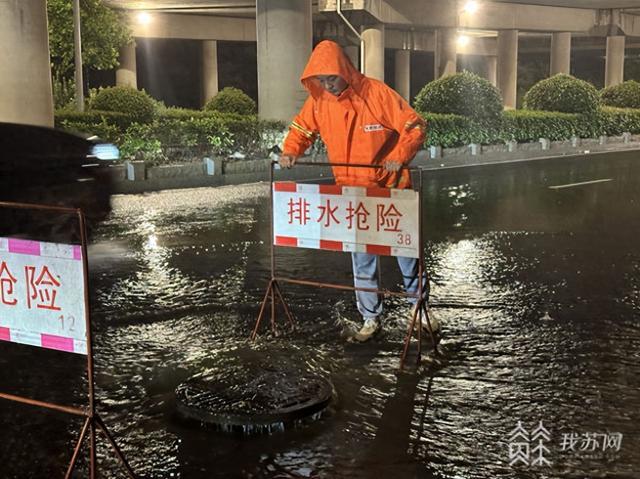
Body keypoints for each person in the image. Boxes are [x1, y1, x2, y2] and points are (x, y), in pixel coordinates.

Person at [279, 40, 429, 342]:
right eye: (321, 80)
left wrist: (399, 156)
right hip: (353, 196)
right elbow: (301, 130)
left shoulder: (376, 93)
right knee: (361, 259)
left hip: (391, 192)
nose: (327, 85)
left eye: (331, 78)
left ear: (345, 70)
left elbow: (414, 126)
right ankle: (370, 319)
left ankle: (420, 311)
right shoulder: (320, 101)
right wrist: (291, 150)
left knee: (406, 255)